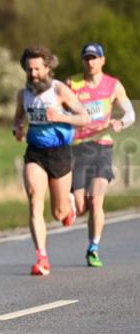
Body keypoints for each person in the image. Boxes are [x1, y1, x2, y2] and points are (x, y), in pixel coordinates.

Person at [12, 46, 90, 276]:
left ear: (47, 68)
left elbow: (84, 117)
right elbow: (18, 116)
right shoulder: (23, 94)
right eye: (29, 69)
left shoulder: (59, 90)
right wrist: (17, 128)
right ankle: (42, 258)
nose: (33, 73)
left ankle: (69, 206)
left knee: (58, 213)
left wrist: (60, 116)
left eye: (37, 69)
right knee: (35, 200)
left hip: (59, 153)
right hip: (35, 152)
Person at [68, 42, 135, 267]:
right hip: (77, 148)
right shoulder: (72, 84)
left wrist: (120, 123)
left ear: (102, 60)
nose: (90, 62)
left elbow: (130, 113)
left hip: (101, 146)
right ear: (82, 61)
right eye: (86, 58)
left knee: (96, 202)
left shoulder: (113, 85)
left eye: (94, 58)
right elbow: (60, 109)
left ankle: (93, 248)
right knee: (80, 207)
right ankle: (69, 204)